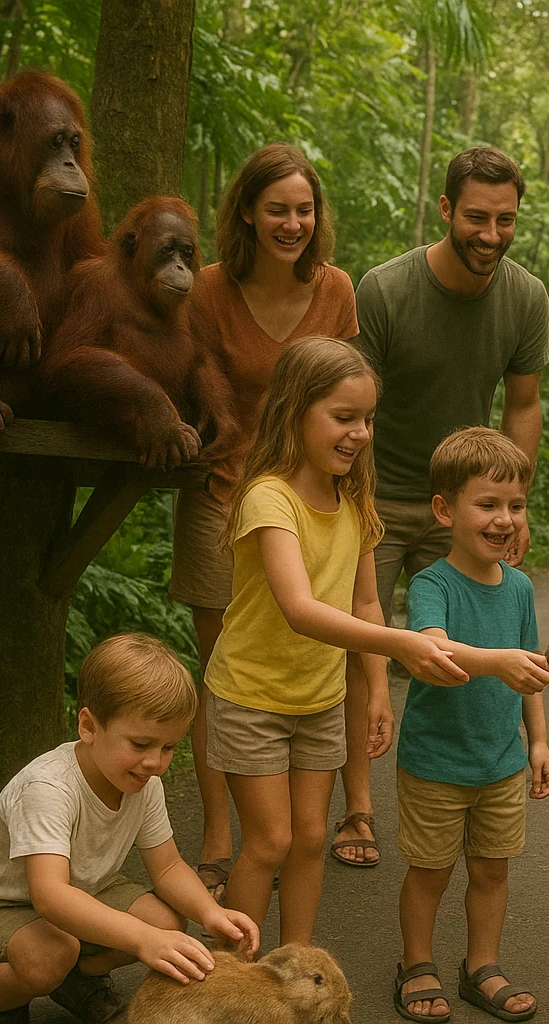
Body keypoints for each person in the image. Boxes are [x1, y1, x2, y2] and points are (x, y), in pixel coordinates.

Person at [204, 336, 468, 947]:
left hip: (320, 699)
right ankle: (229, 975)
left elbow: (365, 600)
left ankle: (295, 965)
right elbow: (299, 609)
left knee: (313, 838)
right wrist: (402, 645)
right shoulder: (270, 498)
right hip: (251, 694)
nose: (361, 434)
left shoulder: (354, 499)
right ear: (295, 412)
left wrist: (375, 686)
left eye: (369, 419)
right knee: (269, 841)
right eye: (344, 418)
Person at [169, 143, 383, 887]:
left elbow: (348, 394)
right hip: (226, 493)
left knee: (331, 639)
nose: (292, 222)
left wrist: (354, 482)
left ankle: (343, 808)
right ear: (248, 214)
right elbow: (186, 379)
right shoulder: (206, 290)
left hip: (318, 499)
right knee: (224, 668)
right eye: (277, 209)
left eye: (304, 209)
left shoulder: (336, 291)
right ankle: (223, 834)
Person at [346, 145, 549, 865]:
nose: (490, 235)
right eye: (476, 218)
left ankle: (464, 786)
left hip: (461, 505)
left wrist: (513, 505)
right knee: (363, 646)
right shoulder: (385, 289)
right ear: (444, 210)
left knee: (461, 646)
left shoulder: (525, 297)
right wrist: (353, 506)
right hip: (376, 493)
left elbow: (523, 405)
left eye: (506, 220)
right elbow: (353, 407)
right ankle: (358, 808)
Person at [0, 634, 261, 1024]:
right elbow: (51, 896)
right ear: (90, 726)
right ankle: (0, 1003)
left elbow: (168, 868)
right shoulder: (48, 788)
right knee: (50, 955)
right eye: (141, 743)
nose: (155, 763)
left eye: (168, 747)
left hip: (83, 889)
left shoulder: (143, 783)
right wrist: (142, 940)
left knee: (168, 922)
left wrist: (210, 913)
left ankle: (74, 980)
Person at [393, 427, 549, 1023]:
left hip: (501, 762)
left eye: (515, 506)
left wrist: (537, 741)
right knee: (431, 871)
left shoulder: (519, 588)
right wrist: (497, 663)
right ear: (444, 510)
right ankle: (417, 963)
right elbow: (434, 652)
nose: (504, 519)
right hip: (438, 762)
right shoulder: (432, 583)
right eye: (487, 505)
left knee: (491, 869)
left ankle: (480, 965)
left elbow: (530, 670)